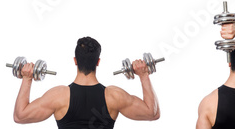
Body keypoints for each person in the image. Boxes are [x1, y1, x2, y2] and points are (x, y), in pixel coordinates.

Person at [13, 37, 160, 129]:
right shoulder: (114, 95)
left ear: (75, 61)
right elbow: (152, 113)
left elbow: (20, 116)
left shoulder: (58, 95)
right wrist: (144, 75)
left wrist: (27, 78)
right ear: (98, 62)